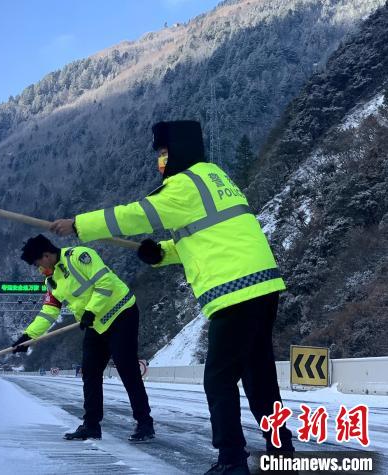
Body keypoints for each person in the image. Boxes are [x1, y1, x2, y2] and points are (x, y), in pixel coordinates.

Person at [49, 121, 294, 474]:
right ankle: (281, 451)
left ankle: (231, 460)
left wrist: (79, 225)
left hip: (236, 288)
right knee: (258, 376)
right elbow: (204, 236)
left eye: (163, 153)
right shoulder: (214, 178)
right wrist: (161, 253)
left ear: (178, 150)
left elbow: (137, 215)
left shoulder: (183, 185)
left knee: (219, 379)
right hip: (262, 285)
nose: (160, 161)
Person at [11, 234, 154, 442]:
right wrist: (28, 337)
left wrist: (90, 311)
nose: (38, 269)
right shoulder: (52, 281)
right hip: (96, 323)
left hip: (121, 313)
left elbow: (104, 282)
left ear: (47, 255)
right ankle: (91, 425)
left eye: (37, 263)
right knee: (90, 372)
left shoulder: (79, 256)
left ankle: (145, 424)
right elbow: (49, 312)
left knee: (127, 368)